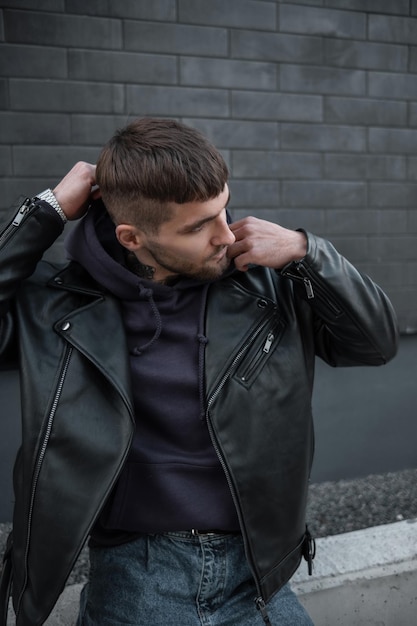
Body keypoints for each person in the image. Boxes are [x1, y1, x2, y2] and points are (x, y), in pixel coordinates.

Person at [0, 118, 398, 626]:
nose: (226, 234)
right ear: (132, 237)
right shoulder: (59, 305)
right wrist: (46, 212)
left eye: (223, 209)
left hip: (258, 576)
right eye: (197, 226)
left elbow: (375, 344)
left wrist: (307, 252)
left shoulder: (264, 284)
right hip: (137, 578)